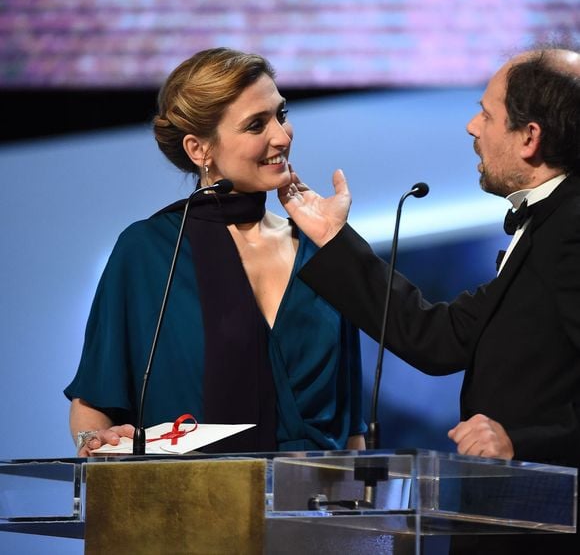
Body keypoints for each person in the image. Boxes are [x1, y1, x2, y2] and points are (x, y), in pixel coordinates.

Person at [279, 47, 580, 554]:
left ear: (530, 138)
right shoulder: (550, 224)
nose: (471, 126)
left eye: (487, 114)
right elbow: (441, 340)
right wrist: (335, 239)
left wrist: (523, 443)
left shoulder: (572, 227)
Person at [64, 47, 366, 457]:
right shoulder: (149, 253)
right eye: (256, 125)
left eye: (281, 114)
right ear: (199, 150)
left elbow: (351, 432)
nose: (281, 135)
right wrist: (92, 445)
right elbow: (93, 405)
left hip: (313, 511)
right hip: (191, 508)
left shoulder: (320, 251)